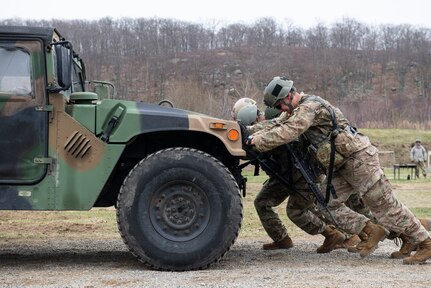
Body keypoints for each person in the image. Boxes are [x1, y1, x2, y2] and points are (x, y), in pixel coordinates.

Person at [244, 76, 431, 264]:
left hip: (360, 162)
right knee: (325, 204)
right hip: (342, 166)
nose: (279, 110)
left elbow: (290, 130)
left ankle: (425, 242)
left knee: (385, 206)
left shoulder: (310, 107)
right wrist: (245, 131)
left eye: (279, 106)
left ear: (288, 96)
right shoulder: (295, 111)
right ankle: (370, 230)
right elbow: (275, 124)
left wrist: (257, 142)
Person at [233, 97, 347, 253]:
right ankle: (282, 239)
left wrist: (247, 135)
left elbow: (268, 134)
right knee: (262, 202)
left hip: (303, 173)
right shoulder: (261, 126)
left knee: (299, 210)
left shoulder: (273, 122)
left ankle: (334, 234)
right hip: (285, 176)